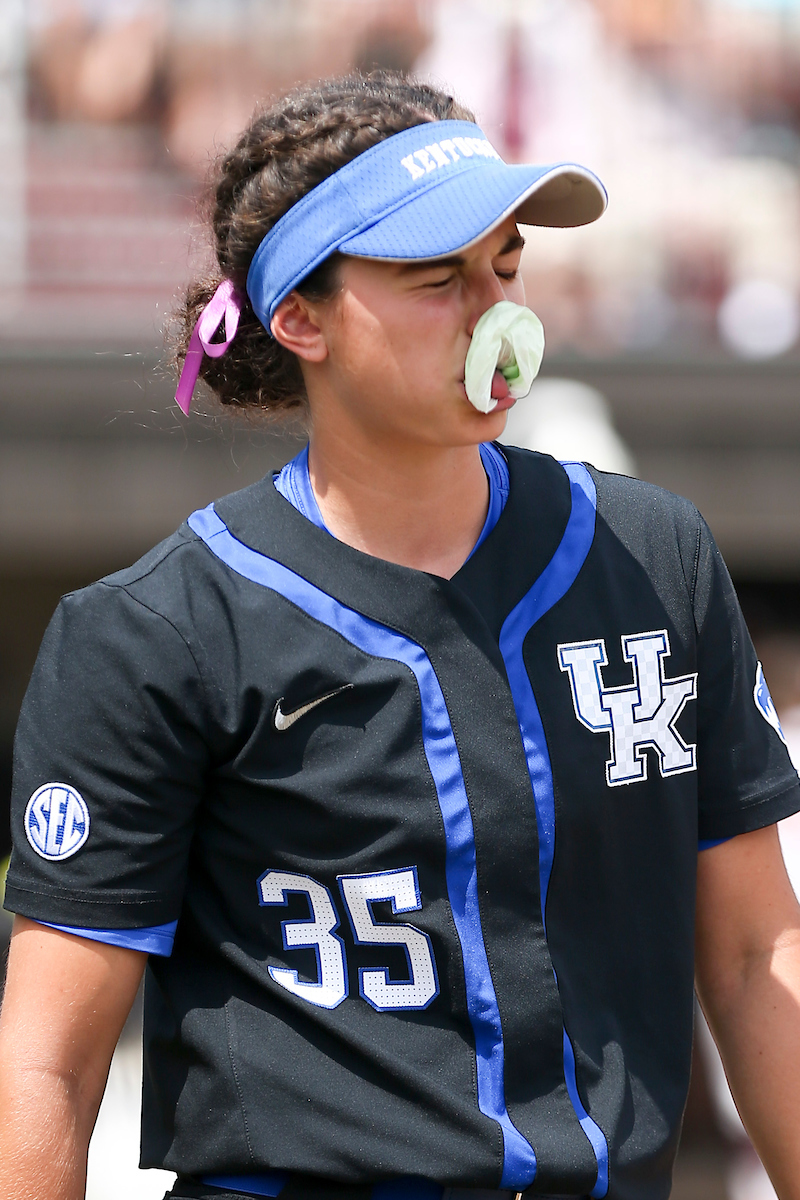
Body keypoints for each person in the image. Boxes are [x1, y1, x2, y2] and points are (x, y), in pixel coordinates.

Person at [1, 69, 800, 1200]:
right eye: (438, 280)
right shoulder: (155, 629)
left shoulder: (650, 555)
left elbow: (755, 951)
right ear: (299, 320)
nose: (497, 314)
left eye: (506, 267)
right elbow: (48, 1064)